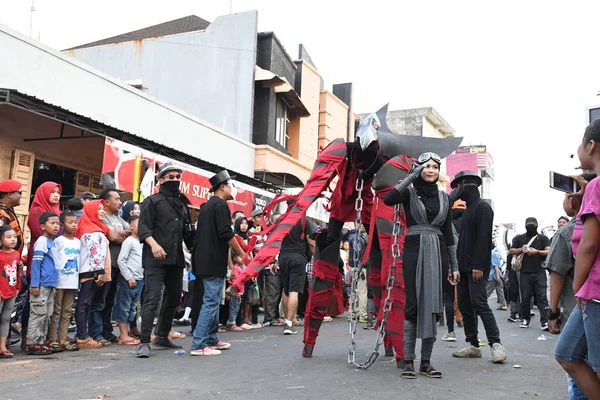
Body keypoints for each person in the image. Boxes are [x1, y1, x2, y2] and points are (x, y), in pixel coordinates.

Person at [383, 152, 458, 379]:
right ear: (419, 169)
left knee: (434, 307)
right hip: (415, 249)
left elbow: (449, 234)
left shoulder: (446, 199)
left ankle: (426, 362)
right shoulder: (409, 193)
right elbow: (389, 199)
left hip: (438, 250)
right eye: (426, 166)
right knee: (413, 305)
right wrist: (411, 175)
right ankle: (408, 361)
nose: (431, 170)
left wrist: (453, 265)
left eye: (435, 167)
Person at [555, 119, 600, 398]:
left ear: (591, 145)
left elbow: (589, 244)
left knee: (593, 364)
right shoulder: (592, 190)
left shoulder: (597, 187)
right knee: (567, 353)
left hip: (594, 290)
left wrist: (578, 288)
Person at [137, 161, 193, 358]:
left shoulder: (182, 204)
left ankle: (161, 334)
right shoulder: (151, 201)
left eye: (178, 177)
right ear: (161, 179)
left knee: (175, 296)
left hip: (176, 258)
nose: (175, 180)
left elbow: (188, 234)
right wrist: (154, 245)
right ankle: (144, 342)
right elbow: (143, 229)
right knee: (152, 297)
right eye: (171, 177)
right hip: (155, 257)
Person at [450, 170, 506, 364]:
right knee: (465, 305)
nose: (457, 191)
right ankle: (472, 344)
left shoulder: (483, 207)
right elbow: (462, 243)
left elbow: (484, 239)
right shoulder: (467, 211)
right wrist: (455, 266)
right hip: (463, 267)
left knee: (480, 303)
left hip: (476, 267)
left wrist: (479, 265)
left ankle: (496, 344)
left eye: (459, 186)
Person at [191, 170, 244, 356]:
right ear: (222, 186)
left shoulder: (206, 206)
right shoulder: (220, 205)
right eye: (231, 185)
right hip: (212, 261)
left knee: (212, 300)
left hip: (205, 261)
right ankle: (199, 344)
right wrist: (242, 252)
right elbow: (226, 234)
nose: (233, 189)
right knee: (211, 302)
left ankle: (212, 338)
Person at [74, 200, 110, 349]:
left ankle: (83, 334)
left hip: (92, 271)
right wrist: (99, 273)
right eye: (99, 209)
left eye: (103, 209)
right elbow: (95, 254)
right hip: (90, 272)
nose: (102, 211)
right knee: (84, 304)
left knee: (86, 304)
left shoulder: (95, 227)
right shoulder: (91, 230)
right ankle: (82, 336)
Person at [96, 188, 130, 345]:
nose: (120, 202)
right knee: (100, 300)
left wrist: (122, 234)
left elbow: (131, 232)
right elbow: (112, 236)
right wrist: (123, 235)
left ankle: (107, 331)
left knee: (110, 300)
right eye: (116, 199)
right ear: (106, 202)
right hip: (106, 265)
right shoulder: (103, 218)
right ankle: (97, 332)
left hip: (118, 266)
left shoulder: (119, 218)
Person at [27, 211, 60, 355]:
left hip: (50, 285)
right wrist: (35, 284)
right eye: (52, 223)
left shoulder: (52, 242)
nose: (56, 226)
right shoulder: (41, 241)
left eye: (57, 223)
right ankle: (33, 343)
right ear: (42, 226)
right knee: (38, 314)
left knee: (46, 314)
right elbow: (36, 264)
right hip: (41, 285)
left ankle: (41, 341)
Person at [509, 217, 551, 330]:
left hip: (539, 272)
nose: (531, 227)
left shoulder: (543, 238)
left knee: (542, 297)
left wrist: (536, 251)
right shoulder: (519, 238)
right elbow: (511, 250)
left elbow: (549, 250)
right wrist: (521, 250)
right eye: (529, 225)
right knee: (525, 297)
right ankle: (525, 319)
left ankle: (545, 321)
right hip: (525, 272)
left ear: (537, 225)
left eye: (533, 225)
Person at [48, 212, 81, 352]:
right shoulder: (58, 241)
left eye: (75, 222)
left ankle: (63, 339)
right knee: (56, 311)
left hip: (72, 281)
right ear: (62, 225)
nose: (74, 225)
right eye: (70, 222)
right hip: (60, 281)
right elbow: (55, 260)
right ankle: (52, 339)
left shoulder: (78, 242)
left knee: (67, 311)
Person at [279, 213, 313, 336]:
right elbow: (311, 242)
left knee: (286, 289)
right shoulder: (304, 220)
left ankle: (288, 319)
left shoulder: (282, 219)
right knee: (294, 290)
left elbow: (275, 239)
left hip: (283, 257)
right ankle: (289, 323)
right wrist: (315, 255)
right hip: (298, 257)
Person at [113, 216, 143, 346]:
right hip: (129, 280)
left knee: (132, 307)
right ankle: (123, 335)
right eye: (138, 224)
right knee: (124, 307)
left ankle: (129, 332)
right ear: (131, 226)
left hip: (140, 278)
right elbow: (121, 260)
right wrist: (129, 277)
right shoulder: (129, 241)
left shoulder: (142, 241)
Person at [0, 225, 22, 358]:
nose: (13, 240)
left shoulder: (16, 254)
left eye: (14, 237)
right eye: (8, 237)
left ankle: (2, 347)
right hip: (1, 292)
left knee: (5, 319)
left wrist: (18, 287)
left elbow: (17, 272)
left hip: (12, 290)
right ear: (1, 240)